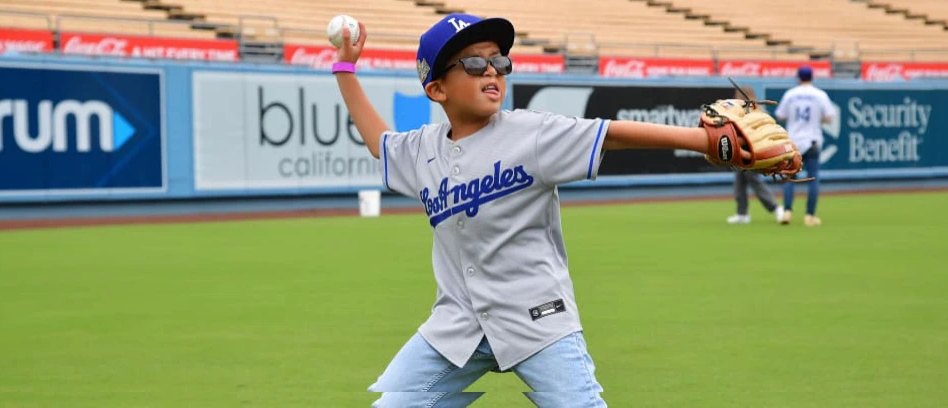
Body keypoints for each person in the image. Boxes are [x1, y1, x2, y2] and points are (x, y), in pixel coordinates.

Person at [332, 13, 788, 407]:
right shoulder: (423, 151)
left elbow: (611, 133)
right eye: (473, 63)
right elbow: (381, 144)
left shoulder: (531, 133)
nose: (492, 70)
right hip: (458, 327)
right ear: (436, 88)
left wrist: (703, 141)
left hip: (539, 319)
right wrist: (344, 68)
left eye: (499, 61)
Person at [774, 66, 837, 227]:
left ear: (798, 78)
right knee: (813, 178)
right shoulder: (820, 95)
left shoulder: (790, 94)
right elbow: (830, 118)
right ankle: (809, 216)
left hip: (793, 141)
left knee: (789, 177)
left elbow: (780, 115)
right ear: (812, 77)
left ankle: (787, 211)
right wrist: (817, 120)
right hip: (812, 140)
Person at [725, 84, 784, 225]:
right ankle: (742, 213)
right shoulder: (752, 109)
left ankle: (776, 208)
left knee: (754, 181)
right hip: (743, 152)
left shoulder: (750, 110)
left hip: (751, 152)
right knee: (739, 182)